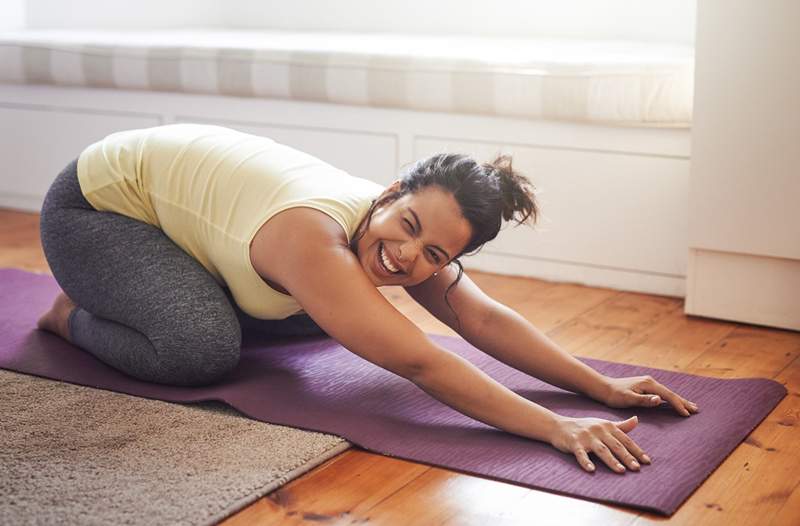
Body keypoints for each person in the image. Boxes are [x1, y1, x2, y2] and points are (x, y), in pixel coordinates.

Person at [36, 123, 698, 474]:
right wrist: (554, 426)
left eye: (435, 255)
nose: (409, 256)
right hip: (95, 211)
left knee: (338, 317)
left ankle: (162, 298)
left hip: (191, 235)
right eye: (407, 227)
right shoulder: (312, 234)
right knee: (198, 349)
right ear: (387, 194)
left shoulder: (406, 236)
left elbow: (479, 315)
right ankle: (74, 315)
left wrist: (597, 386)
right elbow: (419, 362)